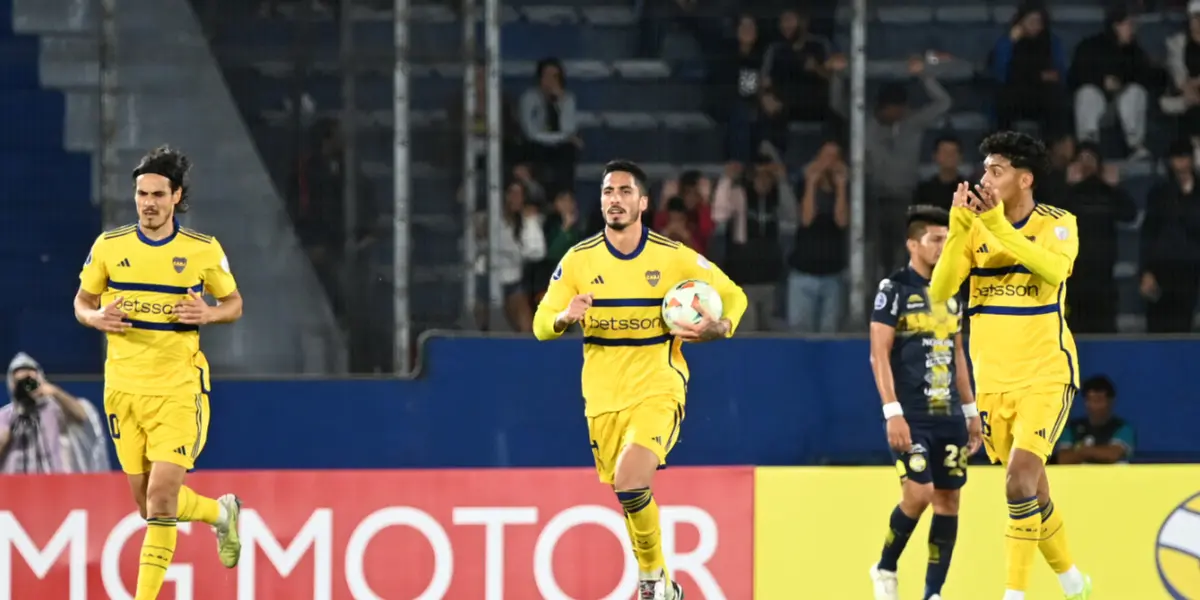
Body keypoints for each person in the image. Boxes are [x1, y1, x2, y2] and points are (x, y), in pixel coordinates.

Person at [532, 160, 748, 600]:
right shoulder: (578, 259)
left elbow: (733, 296)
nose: (616, 199)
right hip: (602, 399)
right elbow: (539, 324)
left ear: (643, 202)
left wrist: (720, 327)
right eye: (609, 192)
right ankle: (662, 582)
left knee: (631, 479)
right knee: (627, 492)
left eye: (626, 192)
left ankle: (651, 578)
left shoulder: (672, 257)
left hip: (659, 386)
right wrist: (563, 317)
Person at [73, 146, 245, 600]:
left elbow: (234, 304)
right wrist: (96, 319)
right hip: (123, 390)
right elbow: (82, 303)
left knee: (163, 497)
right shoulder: (110, 247)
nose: (148, 202)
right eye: (141, 193)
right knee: (148, 504)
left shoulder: (202, 251)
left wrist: (207, 314)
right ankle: (219, 514)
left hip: (177, 388)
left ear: (176, 197)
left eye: (157, 194)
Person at [927, 131, 1091, 600]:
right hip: (993, 383)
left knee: (1017, 480)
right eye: (984, 170)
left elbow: (1054, 270)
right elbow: (939, 292)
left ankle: (1013, 594)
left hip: (1045, 374)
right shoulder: (977, 228)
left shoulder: (1060, 223)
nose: (985, 179)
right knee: (1034, 491)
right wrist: (960, 228)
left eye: (995, 171)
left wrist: (995, 227)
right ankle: (1073, 581)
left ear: (1025, 179)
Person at [868, 206, 982, 600]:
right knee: (919, 494)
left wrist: (971, 412)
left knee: (949, 499)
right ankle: (885, 566)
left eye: (947, 240)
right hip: (911, 415)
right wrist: (892, 412)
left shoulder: (951, 293)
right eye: (935, 239)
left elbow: (959, 356)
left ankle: (932, 593)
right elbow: (878, 354)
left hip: (949, 414)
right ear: (913, 243)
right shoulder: (894, 289)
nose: (941, 247)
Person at [1067, 5, 1151, 159]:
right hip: (1097, 100)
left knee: (1135, 92)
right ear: (1116, 26)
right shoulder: (1090, 46)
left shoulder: (1136, 52)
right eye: (1129, 24)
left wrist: (1122, 83)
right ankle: (1088, 147)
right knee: (1087, 93)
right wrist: (1101, 81)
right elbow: (1076, 75)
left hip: (1122, 102)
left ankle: (1135, 146)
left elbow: (1145, 77)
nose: (1133, 29)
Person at [1140, 138, 1200, 333]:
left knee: (1183, 329)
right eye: (1176, 158)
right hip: (1162, 270)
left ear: (1192, 159)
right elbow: (1148, 233)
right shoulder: (1159, 193)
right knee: (1157, 329)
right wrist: (1146, 272)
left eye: (1184, 157)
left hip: (1190, 271)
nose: (1181, 163)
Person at [1055, 375, 1135, 465]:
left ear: (1110, 401)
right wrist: (1094, 452)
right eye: (1090, 400)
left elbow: (1112, 454)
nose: (1094, 406)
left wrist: (1082, 451)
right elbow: (1063, 458)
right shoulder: (1072, 428)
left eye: (1099, 400)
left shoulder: (1122, 428)